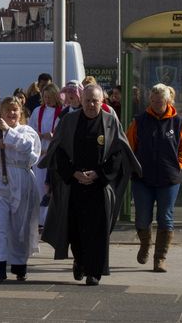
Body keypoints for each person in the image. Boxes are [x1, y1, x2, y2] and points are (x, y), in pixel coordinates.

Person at [39, 85, 141, 286]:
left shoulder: (110, 121)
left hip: (99, 186)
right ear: (80, 101)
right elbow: (58, 151)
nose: (91, 105)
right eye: (87, 101)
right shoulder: (69, 121)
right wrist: (73, 173)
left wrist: (98, 174)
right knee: (75, 229)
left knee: (97, 230)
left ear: (101, 101)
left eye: (95, 101)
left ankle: (94, 271)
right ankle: (80, 261)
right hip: (74, 184)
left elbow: (118, 153)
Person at [0, 96, 42, 282]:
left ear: (20, 112)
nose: (11, 113)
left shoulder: (27, 131)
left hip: (21, 182)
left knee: (20, 226)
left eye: (15, 110)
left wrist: (9, 134)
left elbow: (29, 151)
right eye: (7, 110)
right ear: (0, 113)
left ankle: (19, 266)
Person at [126, 83, 182, 273]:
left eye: (160, 102)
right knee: (142, 218)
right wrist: (133, 167)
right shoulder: (139, 121)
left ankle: (160, 258)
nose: (156, 105)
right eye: (153, 101)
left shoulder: (178, 122)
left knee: (166, 218)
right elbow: (129, 145)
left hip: (169, 179)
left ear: (168, 101)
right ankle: (145, 245)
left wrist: (178, 164)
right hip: (142, 179)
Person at [29, 83, 63, 228]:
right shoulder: (38, 111)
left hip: (53, 154)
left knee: (50, 187)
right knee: (39, 186)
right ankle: (40, 220)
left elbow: (62, 132)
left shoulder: (62, 112)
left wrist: (53, 135)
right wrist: (41, 135)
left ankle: (50, 219)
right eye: (45, 97)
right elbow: (31, 130)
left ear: (56, 97)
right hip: (40, 154)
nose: (47, 100)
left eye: (50, 97)